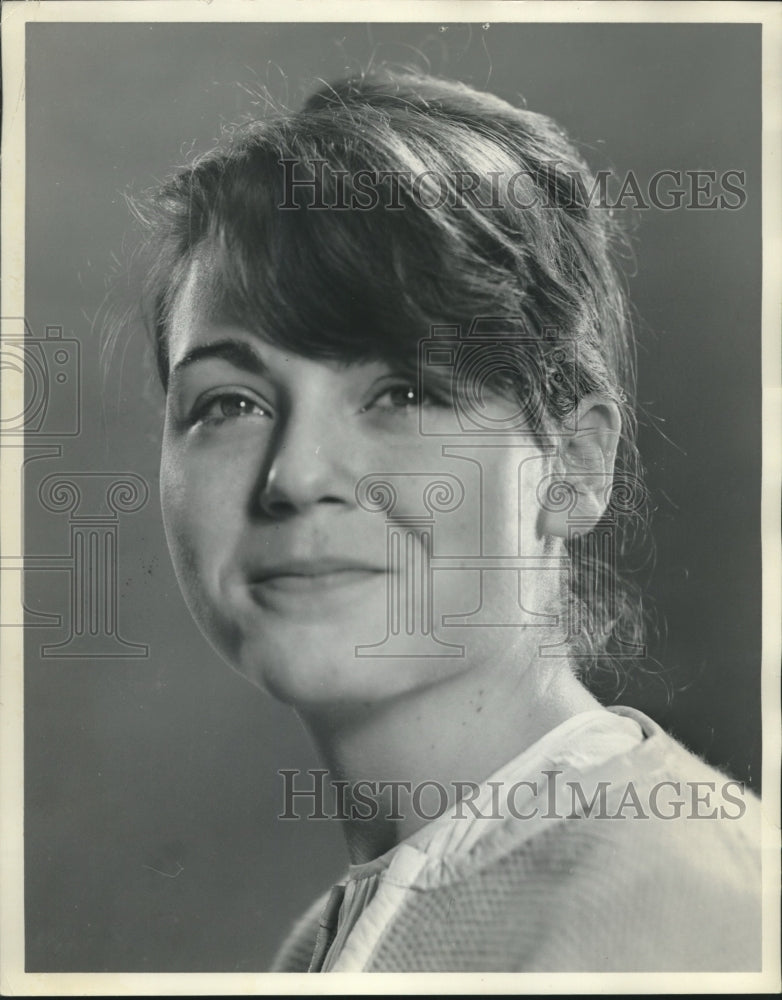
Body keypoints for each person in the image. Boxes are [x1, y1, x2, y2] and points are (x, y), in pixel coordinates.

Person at [127, 69, 760, 972]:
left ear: (573, 468)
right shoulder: (330, 940)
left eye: (404, 391)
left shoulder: (686, 903)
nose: (297, 477)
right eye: (230, 404)